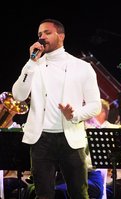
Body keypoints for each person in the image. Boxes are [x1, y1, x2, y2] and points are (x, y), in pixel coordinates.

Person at [12, 18, 101, 199]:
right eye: (39, 34)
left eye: (47, 32)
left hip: (71, 139)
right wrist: (30, 63)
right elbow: (18, 95)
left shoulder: (82, 67)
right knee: (43, 194)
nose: (42, 37)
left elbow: (95, 105)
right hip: (41, 139)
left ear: (61, 36)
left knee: (79, 193)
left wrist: (75, 114)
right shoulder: (34, 66)